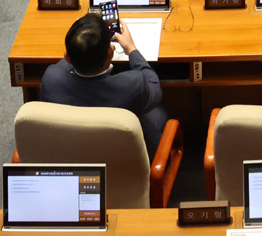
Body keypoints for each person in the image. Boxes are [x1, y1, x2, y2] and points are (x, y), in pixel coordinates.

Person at [38, 13, 167, 156]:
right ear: (110, 52)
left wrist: (80, 44)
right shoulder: (132, 85)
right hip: (125, 163)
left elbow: (65, 64)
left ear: (67, 56)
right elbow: (154, 86)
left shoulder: (50, 80)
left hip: (72, 156)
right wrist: (131, 48)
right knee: (159, 112)